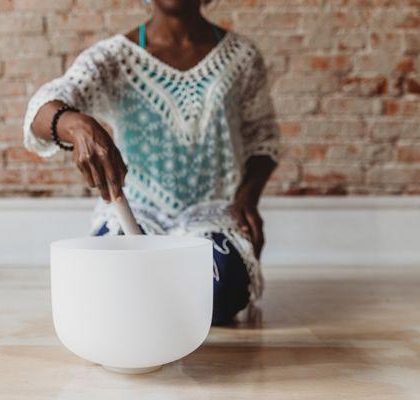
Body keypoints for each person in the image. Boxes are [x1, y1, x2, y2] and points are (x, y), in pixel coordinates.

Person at [23, 0, 281, 325]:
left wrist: (248, 199)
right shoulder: (114, 58)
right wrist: (76, 125)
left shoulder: (241, 57)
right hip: (136, 214)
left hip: (213, 215)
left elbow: (264, 138)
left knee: (218, 288)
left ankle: (154, 310)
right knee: (112, 279)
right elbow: (40, 111)